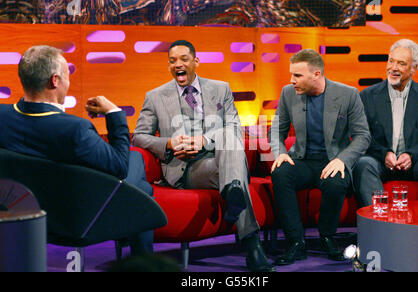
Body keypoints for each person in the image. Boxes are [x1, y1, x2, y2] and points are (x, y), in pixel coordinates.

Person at [133, 40, 275, 272]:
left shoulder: (221, 89)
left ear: (196, 62)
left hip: (218, 161)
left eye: (183, 59)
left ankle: (233, 191)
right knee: (235, 173)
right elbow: (139, 136)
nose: (177, 64)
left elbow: (235, 129)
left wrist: (204, 141)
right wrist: (169, 142)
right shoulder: (156, 96)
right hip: (184, 169)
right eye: (172, 61)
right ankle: (252, 244)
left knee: (231, 141)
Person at [0, 45, 155, 255]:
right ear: (54, 81)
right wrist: (114, 113)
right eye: (67, 74)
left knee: (143, 189)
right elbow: (119, 167)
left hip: (21, 214)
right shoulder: (74, 130)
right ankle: (144, 261)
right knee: (137, 165)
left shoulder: (3, 116)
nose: (69, 81)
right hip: (77, 220)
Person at [270, 49, 370, 265]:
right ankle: (296, 242)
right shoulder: (288, 93)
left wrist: (342, 159)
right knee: (281, 173)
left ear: (316, 75)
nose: (291, 80)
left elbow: (363, 136)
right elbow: (277, 130)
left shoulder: (348, 94)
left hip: (333, 161)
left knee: (336, 182)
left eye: (297, 76)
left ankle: (326, 236)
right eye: (291, 75)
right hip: (303, 160)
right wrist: (280, 153)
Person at [353, 39, 418, 207]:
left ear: (414, 68)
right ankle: (379, 225)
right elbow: (362, 134)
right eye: (391, 61)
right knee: (363, 164)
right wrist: (384, 154)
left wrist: (411, 155)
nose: (393, 68)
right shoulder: (367, 96)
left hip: (416, 160)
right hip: (380, 160)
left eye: (401, 63)